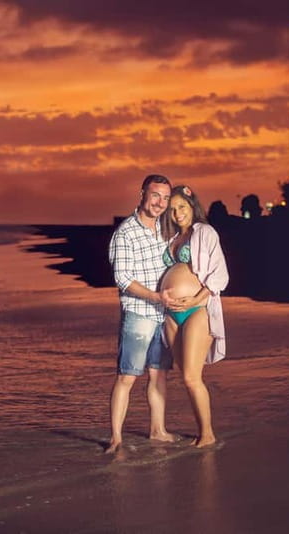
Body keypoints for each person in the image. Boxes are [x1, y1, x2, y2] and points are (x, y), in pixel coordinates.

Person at [106, 174, 177, 454]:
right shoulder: (125, 233)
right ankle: (116, 438)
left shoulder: (165, 229)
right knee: (127, 376)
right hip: (139, 314)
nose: (160, 202)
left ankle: (157, 430)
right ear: (142, 194)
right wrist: (155, 296)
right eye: (155, 195)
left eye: (165, 197)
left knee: (159, 375)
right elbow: (123, 278)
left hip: (165, 314)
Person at [159, 184, 229, 447]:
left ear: (193, 206)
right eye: (173, 209)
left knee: (191, 377)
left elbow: (220, 274)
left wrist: (197, 298)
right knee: (184, 375)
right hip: (171, 314)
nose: (177, 213)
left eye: (182, 207)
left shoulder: (205, 233)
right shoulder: (172, 238)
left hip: (198, 311)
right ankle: (202, 430)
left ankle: (208, 434)